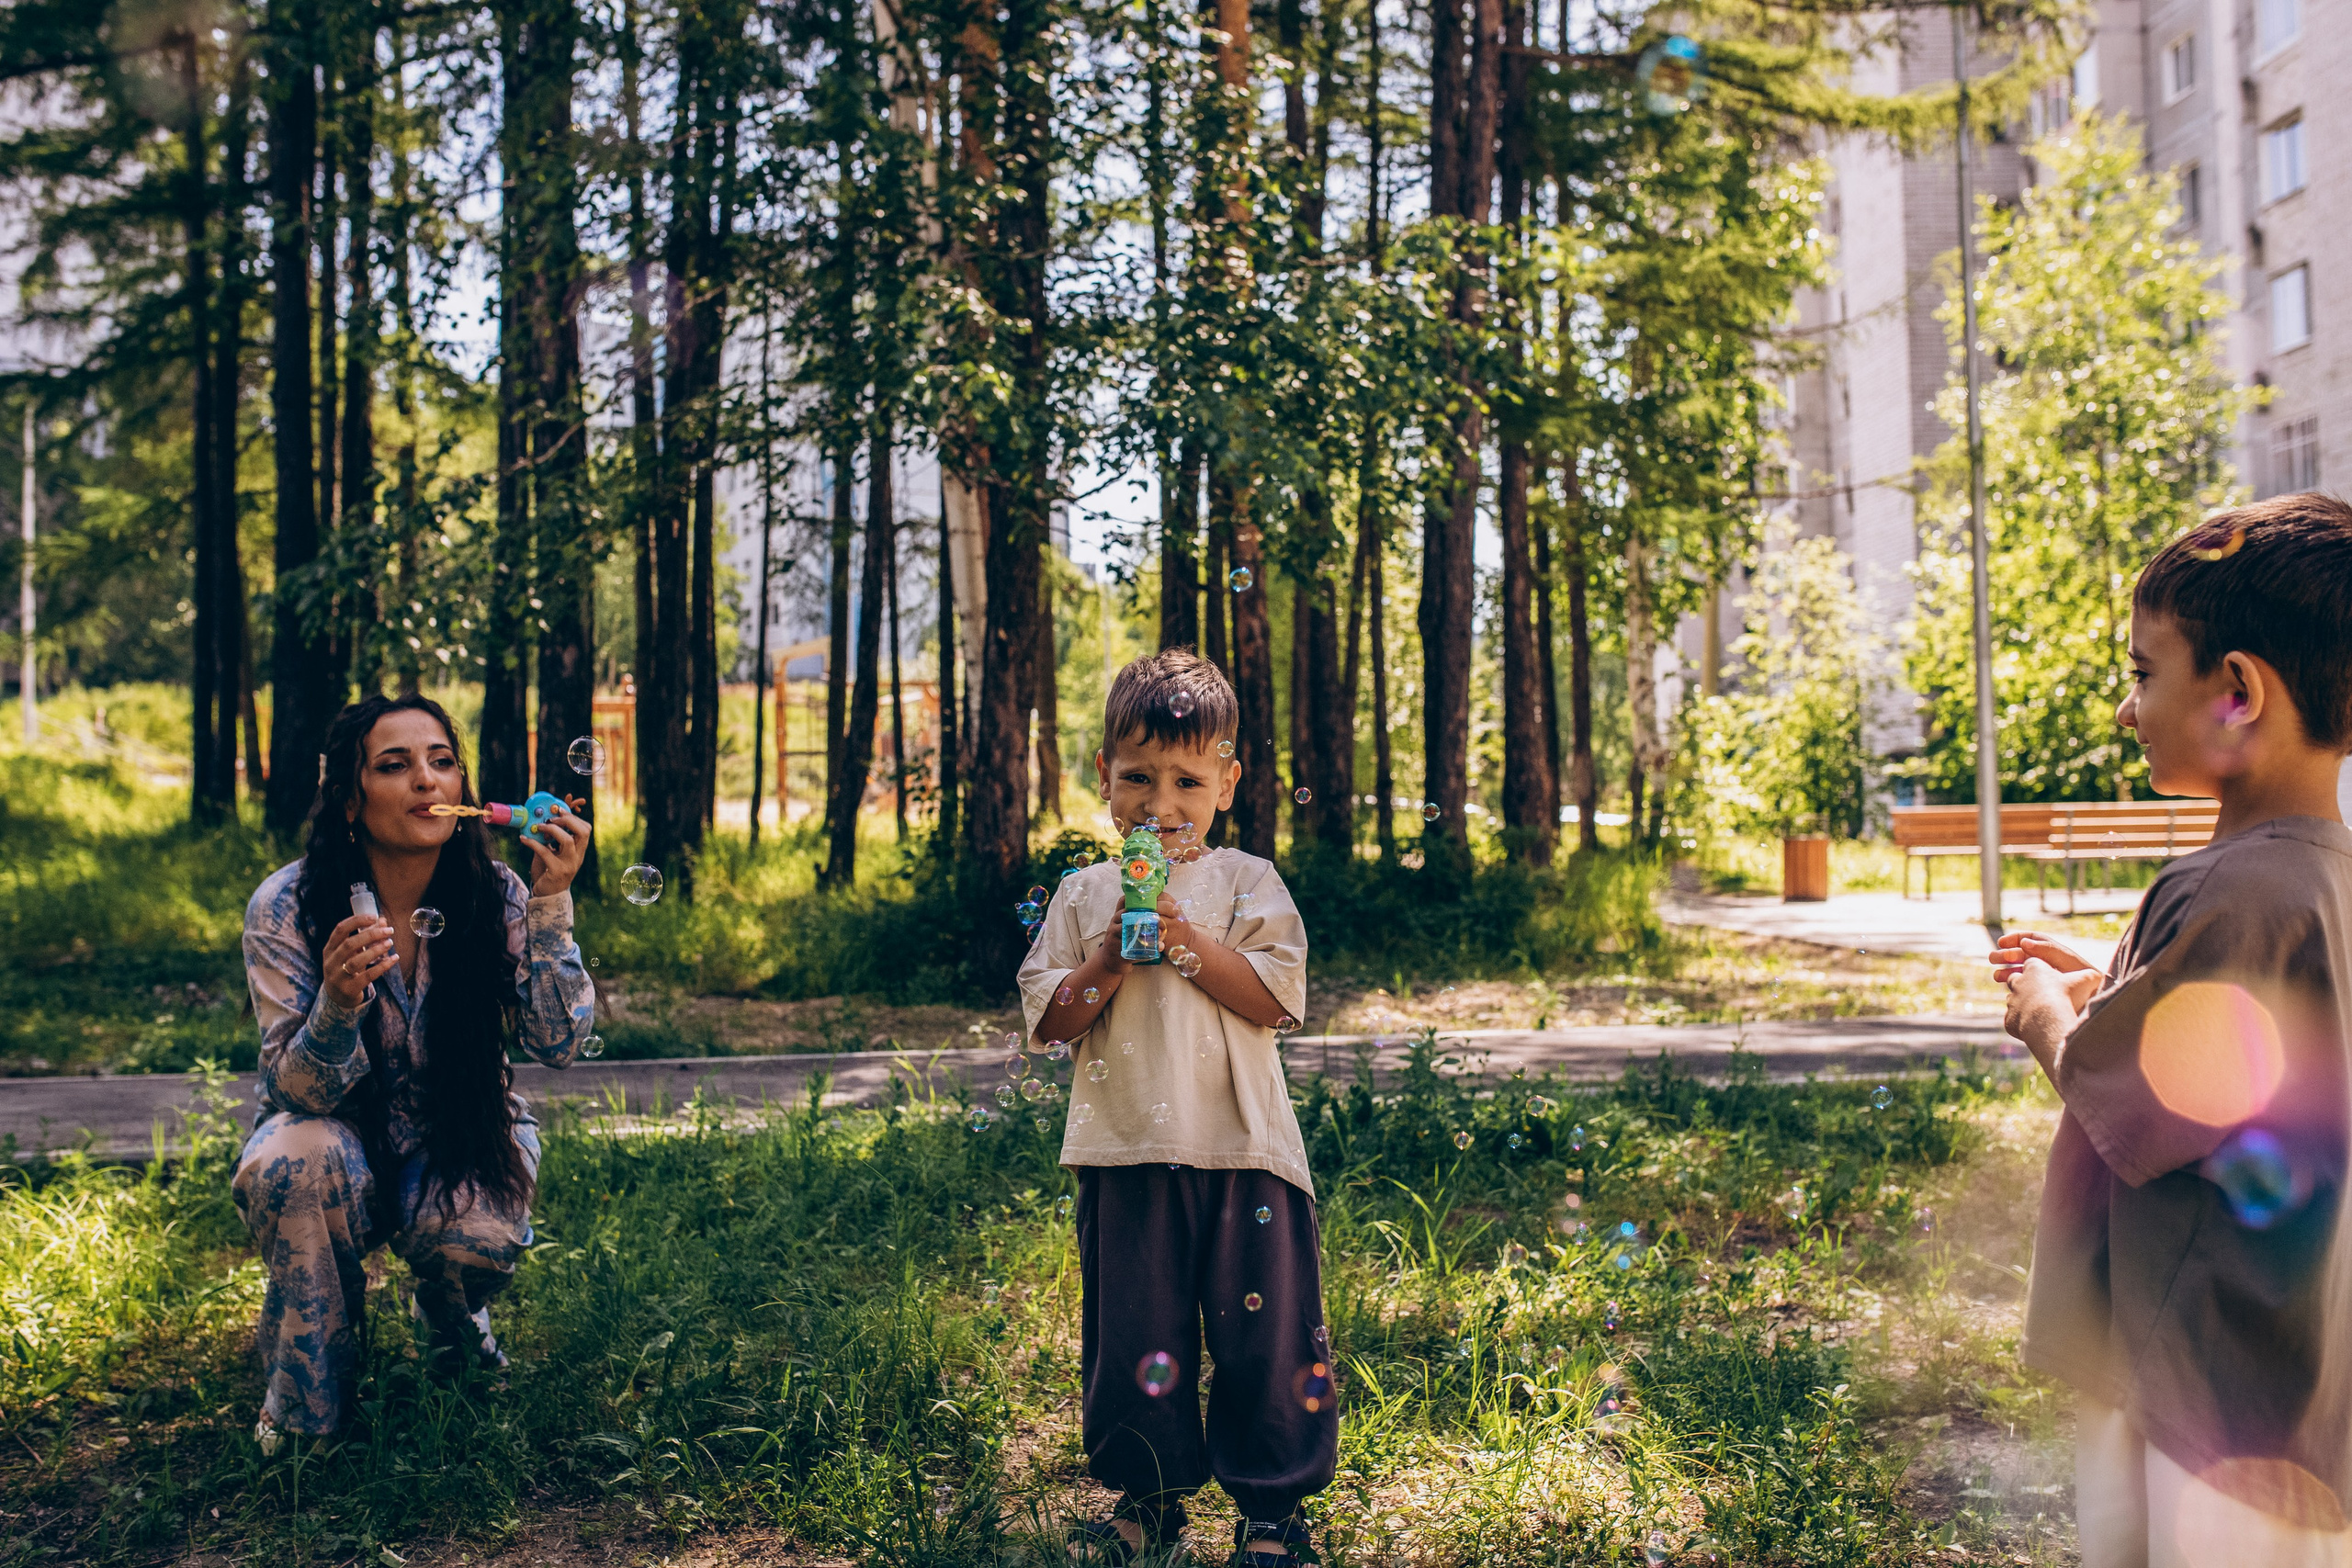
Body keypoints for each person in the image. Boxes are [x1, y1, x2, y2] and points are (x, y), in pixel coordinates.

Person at [1994, 495, 2352, 1565]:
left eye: (2145, 672)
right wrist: (2117, 973)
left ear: (2235, 692)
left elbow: (2137, 1094)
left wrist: (2050, 1015)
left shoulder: (2227, 887)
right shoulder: (2316, 879)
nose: (2124, 707)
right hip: (2292, 1352)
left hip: (2193, 1363)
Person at [1019, 649, 1335, 1566]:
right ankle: (1145, 1495)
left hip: (1246, 1152)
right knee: (1134, 1338)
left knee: (1265, 1339)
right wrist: (1112, 958)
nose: (1162, 805)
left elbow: (1273, 1000)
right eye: (1138, 779)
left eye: (1187, 781)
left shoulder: (1247, 882)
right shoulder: (1084, 896)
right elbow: (1052, 1020)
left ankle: (1272, 1508)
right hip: (1124, 1156)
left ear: (1226, 783)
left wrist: (1185, 938)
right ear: (1103, 780)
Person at [235, 694, 596, 1450]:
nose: (426, 782)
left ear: (465, 789)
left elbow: (558, 1041)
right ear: (350, 798)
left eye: (441, 761)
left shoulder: (495, 894)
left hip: (455, 1138)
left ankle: (451, 1316)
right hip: (340, 1145)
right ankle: (310, 1404)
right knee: (288, 1163)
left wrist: (552, 903)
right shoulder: (288, 906)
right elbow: (293, 1094)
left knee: (477, 1230)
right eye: (394, 765)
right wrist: (336, 1004)